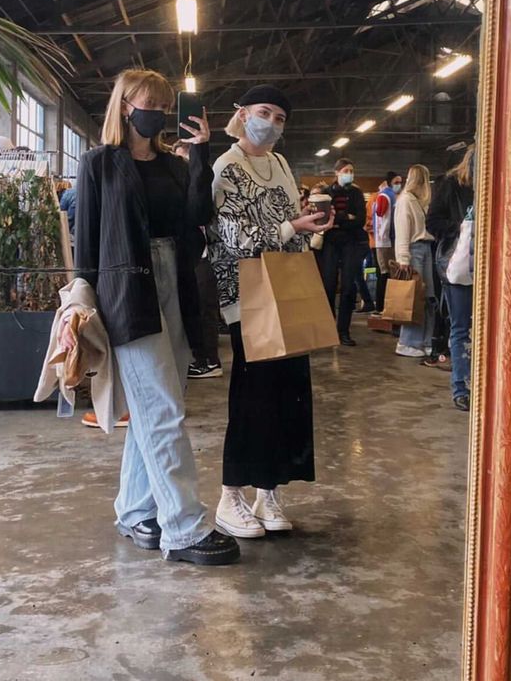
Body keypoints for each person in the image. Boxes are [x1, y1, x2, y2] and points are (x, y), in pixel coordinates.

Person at [74, 68, 239, 566]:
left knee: (154, 409)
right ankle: (184, 528)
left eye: (168, 105)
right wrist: (84, 301)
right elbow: (87, 241)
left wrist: (201, 154)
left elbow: (198, 218)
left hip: (177, 285)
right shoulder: (99, 163)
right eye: (153, 102)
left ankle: (134, 509)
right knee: (163, 408)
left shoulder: (173, 164)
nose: (162, 112)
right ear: (126, 105)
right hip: (128, 289)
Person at [209, 84, 333, 539]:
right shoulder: (226, 167)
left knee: (288, 396)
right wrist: (290, 226)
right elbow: (233, 236)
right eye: (265, 112)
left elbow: (285, 220)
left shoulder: (280, 163)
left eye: (281, 118)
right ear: (242, 114)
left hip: (286, 283)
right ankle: (230, 493)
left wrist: (308, 223)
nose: (272, 123)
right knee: (252, 396)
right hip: (249, 292)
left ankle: (268, 489)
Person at [427, 145, 475, 410]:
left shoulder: (497, 184)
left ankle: (479, 385)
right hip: (457, 262)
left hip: (489, 264)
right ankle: (461, 388)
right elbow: (432, 222)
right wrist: (461, 228)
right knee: (460, 328)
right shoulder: (450, 183)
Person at [173, 140, 223, 379]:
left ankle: (209, 361)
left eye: (189, 161)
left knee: (205, 308)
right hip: (187, 254)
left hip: (207, 255)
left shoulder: (206, 187)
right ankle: (199, 357)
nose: (186, 167)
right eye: (181, 161)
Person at [318, 157, 369, 346]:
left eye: (351, 170)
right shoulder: (326, 193)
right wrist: (345, 216)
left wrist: (338, 219)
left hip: (351, 243)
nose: (349, 174)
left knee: (348, 287)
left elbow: (360, 220)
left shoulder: (356, 193)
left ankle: (344, 331)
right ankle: (328, 329)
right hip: (331, 243)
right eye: (346, 170)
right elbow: (323, 218)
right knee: (329, 286)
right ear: (337, 172)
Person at [393, 164, 435, 358]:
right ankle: (407, 342)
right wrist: (403, 259)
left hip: (425, 249)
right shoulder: (405, 201)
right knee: (414, 299)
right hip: (414, 250)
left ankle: (424, 341)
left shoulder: (417, 201)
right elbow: (402, 231)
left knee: (427, 299)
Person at [373, 171, 403, 314]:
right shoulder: (386, 196)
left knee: (386, 274)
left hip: (387, 240)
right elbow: (381, 216)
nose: (399, 185)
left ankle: (384, 307)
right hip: (386, 240)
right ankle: (383, 307)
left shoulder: (387, 195)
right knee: (386, 274)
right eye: (396, 182)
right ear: (390, 182)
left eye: (400, 182)